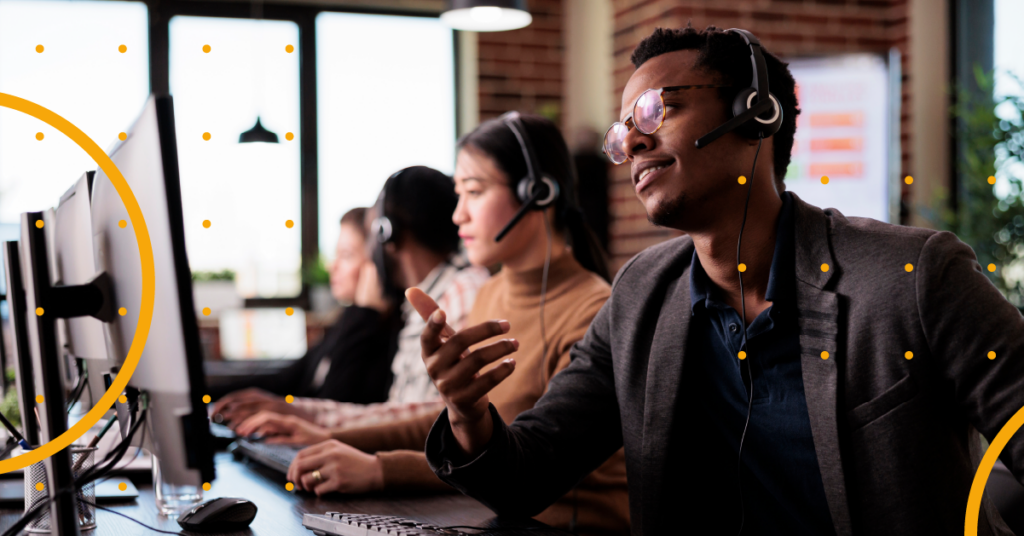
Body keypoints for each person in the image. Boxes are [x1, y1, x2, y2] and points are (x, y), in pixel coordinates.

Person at [414, 24, 1024, 536]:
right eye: (623, 131)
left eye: (657, 109)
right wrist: (468, 414)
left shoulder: (914, 277)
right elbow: (528, 476)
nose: (634, 139)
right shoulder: (640, 297)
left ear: (754, 114)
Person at [237, 114, 630, 535]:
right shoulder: (491, 294)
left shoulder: (592, 310)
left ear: (536, 192)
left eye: (474, 192)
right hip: (491, 518)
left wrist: (379, 470)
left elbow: (510, 448)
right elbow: (454, 423)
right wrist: (321, 436)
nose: (458, 215)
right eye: (458, 194)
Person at [230, 166, 491, 431]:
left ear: (386, 234)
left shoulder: (458, 295)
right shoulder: (421, 302)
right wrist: (297, 413)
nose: (370, 253)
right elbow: (401, 413)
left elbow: (436, 424)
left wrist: (315, 428)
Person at [209, 207, 401, 419]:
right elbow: (285, 380)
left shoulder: (383, 332)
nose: (331, 266)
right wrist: (202, 392)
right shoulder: (347, 321)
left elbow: (336, 402)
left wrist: (365, 313)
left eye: (346, 255)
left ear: (377, 265)